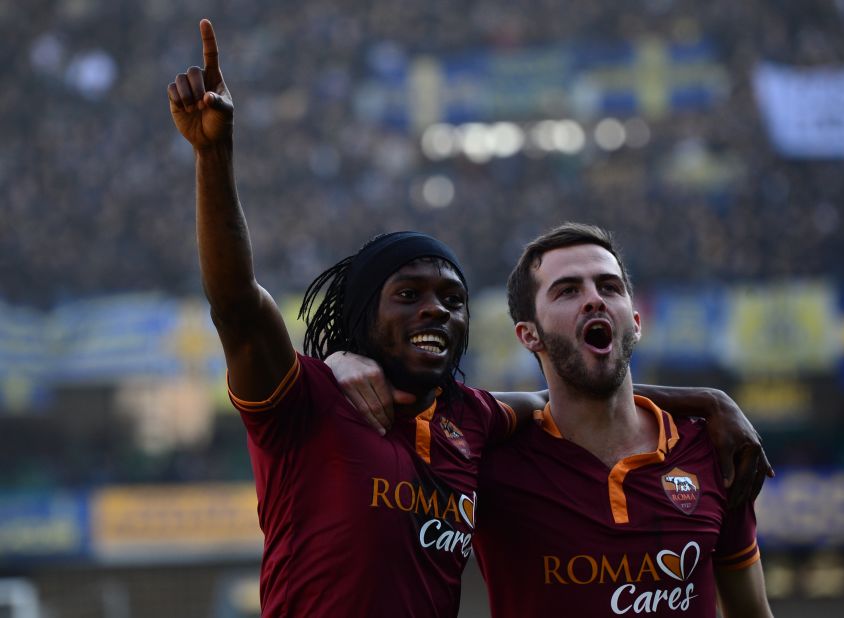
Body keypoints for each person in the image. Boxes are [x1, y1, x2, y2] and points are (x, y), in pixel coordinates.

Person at [168, 19, 769, 617]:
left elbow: (567, 393)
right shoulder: (307, 400)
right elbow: (238, 306)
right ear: (362, 313)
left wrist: (709, 401)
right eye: (408, 294)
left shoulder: (471, 421)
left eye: (452, 300)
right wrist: (214, 156)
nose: (435, 308)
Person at [472, 223, 773, 616]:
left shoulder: (713, 451)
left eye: (609, 286)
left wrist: (714, 402)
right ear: (530, 335)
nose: (594, 300)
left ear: (635, 321)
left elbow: (752, 612)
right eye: (568, 290)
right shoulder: (493, 462)